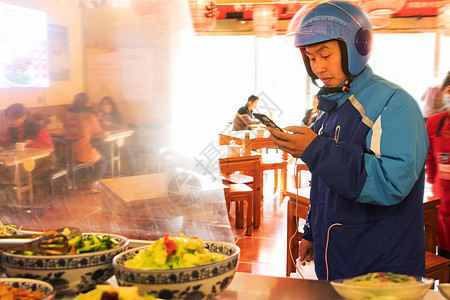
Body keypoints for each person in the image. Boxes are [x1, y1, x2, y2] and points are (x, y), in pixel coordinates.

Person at [267, 1, 428, 280]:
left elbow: (390, 183)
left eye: (325, 55)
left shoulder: (394, 103)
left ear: (356, 48)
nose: (318, 67)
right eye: (311, 58)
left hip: (381, 265)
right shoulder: (333, 105)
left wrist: (315, 149)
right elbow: (324, 182)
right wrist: (312, 233)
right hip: (338, 256)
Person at [0, 103, 54, 200]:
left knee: (13, 173)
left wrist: (32, 143)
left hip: (42, 160)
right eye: (9, 119)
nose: (11, 122)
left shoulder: (36, 128)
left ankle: (20, 201)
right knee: (6, 171)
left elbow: (49, 147)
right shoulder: (11, 129)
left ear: (24, 117)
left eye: (14, 119)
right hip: (20, 160)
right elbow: (5, 142)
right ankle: (13, 199)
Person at [425, 72, 450, 260]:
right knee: (444, 254)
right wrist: (433, 180)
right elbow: (429, 157)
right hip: (443, 201)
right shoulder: (435, 122)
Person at [64, 93, 107, 193]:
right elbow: (98, 131)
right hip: (82, 151)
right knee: (102, 160)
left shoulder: (68, 114)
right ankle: (95, 184)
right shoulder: (89, 116)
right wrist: (97, 120)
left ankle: (71, 182)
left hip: (68, 152)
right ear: (87, 103)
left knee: (76, 161)